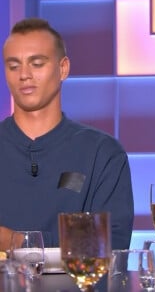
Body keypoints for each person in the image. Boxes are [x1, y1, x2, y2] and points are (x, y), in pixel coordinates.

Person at [0, 17, 134, 252]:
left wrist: (19, 243)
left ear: (63, 68)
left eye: (37, 63)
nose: (24, 75)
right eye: (13, 66)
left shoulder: (102, 153)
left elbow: (111, 244)